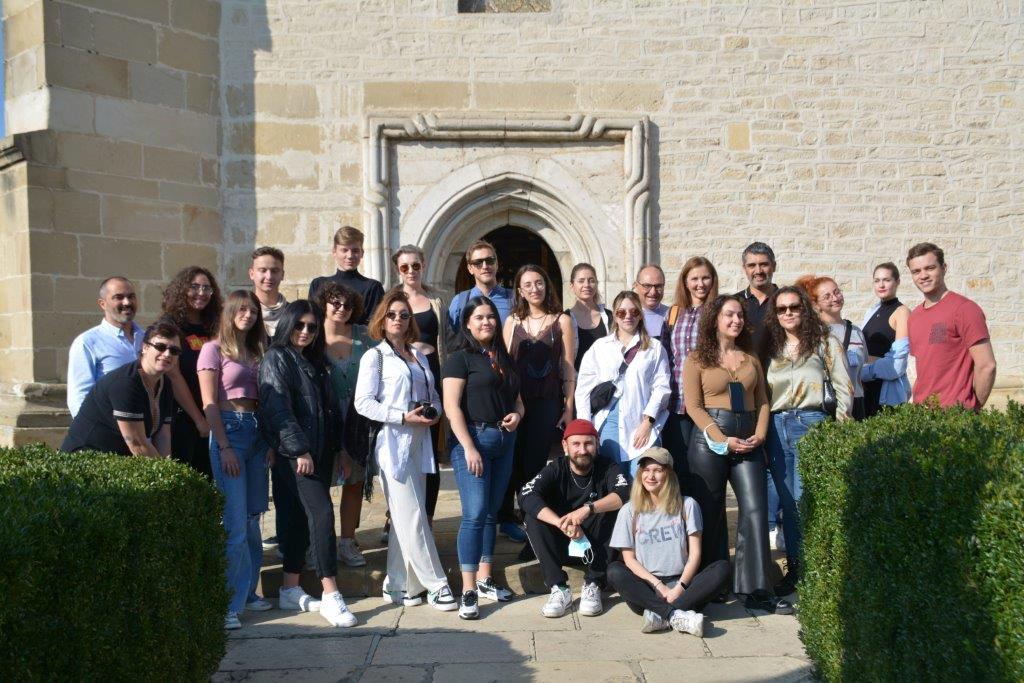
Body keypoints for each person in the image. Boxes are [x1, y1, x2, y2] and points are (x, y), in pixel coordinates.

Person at [683, 295, 793, 614]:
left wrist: (760, 434)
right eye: (729, 314)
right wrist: (721, 439)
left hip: (748, 439)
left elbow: (762, 401)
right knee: (710, 509)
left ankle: (755, 589)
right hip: (710, 439)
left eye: (740, 315)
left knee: (756, 509)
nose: (736, 320)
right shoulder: (697, 359)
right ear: (715, 319)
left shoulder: (750, 358)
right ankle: (712, 584)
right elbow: (693, 406)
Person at [353, 290, 458, 611]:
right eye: (392, 314)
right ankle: (437, 585)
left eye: (404, 315)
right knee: (413, 516)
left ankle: (400, 584)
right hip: (392, 445)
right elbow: (363, 403)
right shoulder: (375, 357)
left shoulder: (420, 355)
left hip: (420, 442)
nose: (398, 319)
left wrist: (434, 413)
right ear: (382, 320)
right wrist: (401, 416)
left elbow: (434, 395)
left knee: (405, 518)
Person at [258, 300, 356, 628]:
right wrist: (299, 450)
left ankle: (290, 588)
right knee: (322, 515)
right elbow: (277, 409)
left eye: (312, 327)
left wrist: (340, 450)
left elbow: (330, 410)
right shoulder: (276, 358)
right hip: (298, 455)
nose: (305, 332)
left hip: (318, 453)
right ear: (287, 324)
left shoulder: (313, 361)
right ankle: (331, 593)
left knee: (297, 518)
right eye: (299, 325)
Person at [762, 286, 853, 596]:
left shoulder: (825, 342)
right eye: (782, 309)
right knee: (788, 504)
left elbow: (844, 387)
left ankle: (818, 571)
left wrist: (840, 428)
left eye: (794, 307)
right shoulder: (772, 348)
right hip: (777, 428)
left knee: (806, 500)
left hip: (811, 424)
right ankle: (797, 570)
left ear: (804, 308)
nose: (788, 313)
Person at [442, 296, 525, 619]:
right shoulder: (459, 359)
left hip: (505, 441)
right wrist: (468, 447)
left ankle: (485, 577)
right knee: (475, 514)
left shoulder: (504, 358)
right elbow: (451, 407)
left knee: (491, 512)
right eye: (479, 317)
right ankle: (468, 589)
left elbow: (518, 401)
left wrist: (517, 415)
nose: (486, 322)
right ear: (467, 323)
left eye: (490, 316)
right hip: (473, 440)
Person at [197, 291, 272, 630]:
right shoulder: (213, 350)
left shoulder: (257, 351)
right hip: (230, 431)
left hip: (256, 432)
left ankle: (249, 593)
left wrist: (268, 441)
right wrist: (224, 446)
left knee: (254, 521)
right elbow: (209, 403)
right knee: (235, 524)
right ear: (229, 312)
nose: (248, 314)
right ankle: (227, 603)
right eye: (242, 309)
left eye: (253, 310)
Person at [607, 447, 731, 636]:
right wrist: (658, 586)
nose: (650, 476)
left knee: (723, 568)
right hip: (647, 590)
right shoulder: (629, 510)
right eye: (646, 470)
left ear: (669, 474)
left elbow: (695, 554)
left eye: (658, 470)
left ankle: (660, 615)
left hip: (683, 586)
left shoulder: (687, 505)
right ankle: (676, 615)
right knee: (614, 570)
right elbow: (629, 560)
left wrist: (679, 588)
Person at [518, 419, 628, 618]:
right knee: (533, 516)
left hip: (596, 547)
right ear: (565, 445)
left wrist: (588, 509)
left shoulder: (607, 467)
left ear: (597, 444)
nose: (582, 450)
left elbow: (624, 493)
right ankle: (559, 588)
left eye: (588, 443)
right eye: (576, 444)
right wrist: (560, 523)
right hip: (560, 544)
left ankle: (594, 583)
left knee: (617, 511)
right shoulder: (556, 468)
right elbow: (526, 494)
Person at [500, 264, 577, 549]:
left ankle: (531, 519)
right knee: (511, 461)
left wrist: (569, 407)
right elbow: (504, 365)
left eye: (539, 283)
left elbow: (568, 366)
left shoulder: (562, 320)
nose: (535, 289)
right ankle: (507, 518)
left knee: (533, 463)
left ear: (547, 285)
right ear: (520, 291)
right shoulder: (512, 322)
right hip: (515, 402)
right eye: (528, 285)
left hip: (546, 401)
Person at [576, 291, 671, 482]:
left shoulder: (654, 348)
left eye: (634, 312)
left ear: (640, 315)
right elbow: (583, 390)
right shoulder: (600, 347)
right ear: (615, 315)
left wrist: (648, 423)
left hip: (641, 422)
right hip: (607, 424)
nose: (628, 316)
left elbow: (662, 387)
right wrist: (586, 429)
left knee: (642, 483)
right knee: (613, 483)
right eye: (621, 312)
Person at [314, 282, 372, 568]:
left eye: (348, 305)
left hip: (358, 419)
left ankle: (347, 541)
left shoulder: (364, 335)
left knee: (354, 482)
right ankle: (319, 543)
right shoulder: (312, 335)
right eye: (335, 303)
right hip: (324, 418)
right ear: (324, 304)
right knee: (321, 482)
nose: (342, 309)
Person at [61, 320, 179, 458]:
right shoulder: (126, 383)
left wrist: (168, 466)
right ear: (145, 347)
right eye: (160, 347)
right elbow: (136, 443)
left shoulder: (165, 384)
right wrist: (165, 470)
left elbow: (163, 436)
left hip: (118, 459)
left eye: (174, 350)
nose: (167, 354)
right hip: (86, 457)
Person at [393, 244, 448, 524]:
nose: (411, 271)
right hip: (402, 379)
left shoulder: (437, 300)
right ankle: (396, 515)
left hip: (432, 376)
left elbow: (447, 339)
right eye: (404, 267)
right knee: (401, 447)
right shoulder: (392, 300)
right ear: (398, 270)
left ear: (423, 265)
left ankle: (427, 516)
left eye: (415, 265)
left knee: (430, 450)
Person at [906, 242, 995, 410]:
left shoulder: (964, 309)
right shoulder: (914, 317)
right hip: (921, 414)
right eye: (916, 271)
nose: (923, 275)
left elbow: (987, 366)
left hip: (955, 415)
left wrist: (972, 410)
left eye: (930, 268)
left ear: (944, 268)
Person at [662, 257, 719, 488]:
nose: (700, 284)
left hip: (707, 402)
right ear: (685, 282)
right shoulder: (674, 313)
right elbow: (666, 356)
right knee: (680, 468)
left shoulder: (718, 312)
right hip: (677, 403)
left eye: (705, 278)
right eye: (694, 278)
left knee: (706, 469)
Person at [161, 266, 222, 477]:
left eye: (207, 288)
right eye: (194, 287)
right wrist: (199, 419)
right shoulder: (170, 326)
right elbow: (173, 375)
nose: (201, 293)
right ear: (182, 289)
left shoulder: (214, 327)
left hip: (213, 417)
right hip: (183, 419)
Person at [67, 277, 145, 417]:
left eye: (131, 296)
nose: (127, 302)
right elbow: (79, 397)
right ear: (103, 304)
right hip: (108, 427)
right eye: (118, 297)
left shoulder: (148, 339)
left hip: (148, 426)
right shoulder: (87, 342)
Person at [797, 275, 867, 420]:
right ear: (816, 304)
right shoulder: (813, 333)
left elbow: (863, 366)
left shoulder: (856, 332)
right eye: (827, 296)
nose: (835, 298)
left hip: (856, 401)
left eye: (837, 292)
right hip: (827, 401)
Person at [860, 262, 912, 416]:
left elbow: (897, 365)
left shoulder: (902, 312)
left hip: (885, 393)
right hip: (865, 390)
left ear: (897, 282)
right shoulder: (872, 311)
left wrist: (861, 372)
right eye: (877, 281)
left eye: (887, 280)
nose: (881, 285)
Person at [308, 226, 385, 326]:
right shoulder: (318, 284)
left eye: (355, 251)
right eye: (344, 250)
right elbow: (312, 321)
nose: (350, 256)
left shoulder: (372, 287)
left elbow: (373, 326)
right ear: (334, 252)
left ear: (362, 253)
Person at [448, 239, 514, 332]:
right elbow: (451, 337)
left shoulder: (514, 298)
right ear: (470, 268)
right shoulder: (459, 302)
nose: (485, 266)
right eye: (478, 262)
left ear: (497, 264)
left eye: (490, 260)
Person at [735, 242, 779, 360]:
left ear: (774, 266)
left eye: (764, 264)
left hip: (780, 370)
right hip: (744, 369)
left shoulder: (787, 303)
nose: (758, 271)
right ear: (744, 269)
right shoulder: (734, 303)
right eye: (752, 265)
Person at [565, 262, 612, 371]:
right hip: (576, 379)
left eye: (591, 280)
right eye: (581, 281)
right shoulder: (565, 318)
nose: (586, 285)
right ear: (572, 285)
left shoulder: (609, 316)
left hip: (605, 379)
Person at [249, 246, 288, 337]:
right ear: (251, 274)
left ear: (282, 275)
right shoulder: (241, 314)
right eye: (263, 270)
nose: (269, 276)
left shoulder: (293, 313)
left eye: (274, 271)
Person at [633, 264, 670, 347]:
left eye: (658, 286)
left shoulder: (673, 316)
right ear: (636, 286)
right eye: (647, 286)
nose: (653, 292)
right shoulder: (625, 316)